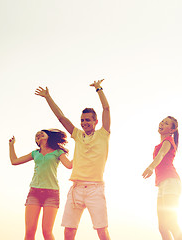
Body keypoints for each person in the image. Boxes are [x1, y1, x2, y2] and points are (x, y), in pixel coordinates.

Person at [35, 79, 111, 240]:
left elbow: (106, 108)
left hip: (95, 189)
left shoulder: (103, 134)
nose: (84, 123)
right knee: (69, 231)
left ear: (95, 121)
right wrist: (48, 97)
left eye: (88, 120)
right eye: (82, 120)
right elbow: (61, 117)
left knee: (102, 231)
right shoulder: (77, 135)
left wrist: (99, 89)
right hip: (75, 189)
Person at [9, 129, 72, 240]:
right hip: (34, 193)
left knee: (46, 232)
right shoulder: (35, 153)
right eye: (37, 135)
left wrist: (82, 151)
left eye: (42, 133)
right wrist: (11, 145)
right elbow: (14, 161)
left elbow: (69, 165)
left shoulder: (57, 152)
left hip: (51, 194)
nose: (39, 134)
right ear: (37, 141)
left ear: (48, 136)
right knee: (29, 232)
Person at [142, 116, 182, 240]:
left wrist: (151, 167)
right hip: (163, 184)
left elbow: (161, 155)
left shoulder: (168, 141)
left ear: (172, 130)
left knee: (171, 222)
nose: (162, 124)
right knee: (162, 227)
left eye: (166, 123)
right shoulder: (163, 142)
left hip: (171, 182)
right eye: (162, 121)